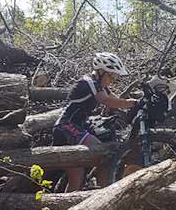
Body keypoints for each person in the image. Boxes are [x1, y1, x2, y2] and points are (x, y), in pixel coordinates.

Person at [52, 52, 137, 191]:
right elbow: (107, 101)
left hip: (78, 127)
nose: (113, 80)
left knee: (80, 172)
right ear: (101, 71)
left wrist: (132, 108)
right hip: (65, 127)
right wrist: (131, 104)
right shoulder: (88, 82)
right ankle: (100, 192)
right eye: (112, 75)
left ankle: (103, 190)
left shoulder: (99, 85)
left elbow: (114, 101)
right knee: (100, 152)